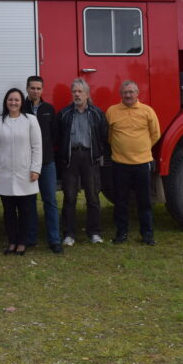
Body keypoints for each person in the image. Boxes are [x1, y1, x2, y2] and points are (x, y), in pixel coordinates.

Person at [106, 80, 161, 245]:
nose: (128, 95)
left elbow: (155, 134)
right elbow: (108, 136)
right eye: (125, 92)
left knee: (144, 201)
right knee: (120, 202)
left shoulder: (147, 111)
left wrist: (142, 149)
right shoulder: (112, 111)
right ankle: (121, 233)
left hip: (142, 164)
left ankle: (147, 235)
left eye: (131, 92)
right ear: (120, 94)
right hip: (120, 164)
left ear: (137, 93)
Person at [56, 78, 109, 246]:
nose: (77, 94)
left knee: (93, 197)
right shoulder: (64, 114)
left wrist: (97, 152)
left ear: (87, 94)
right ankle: (69, 234)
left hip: (90, 157)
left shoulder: (97, 114)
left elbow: (103, 136)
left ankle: (94, 232)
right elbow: (59, 137)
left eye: (80, 91)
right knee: (69, 197)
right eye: (74, 92)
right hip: (70, 158)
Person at [0, 88, 42, 256]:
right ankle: (12, 241)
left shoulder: (30, 120)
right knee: (9, 212)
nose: (13, 103)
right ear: (6, 102)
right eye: (10, 100)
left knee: (26, 211)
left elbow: (37, 146)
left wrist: (35, 169)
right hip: (5, 175)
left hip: (26, 174)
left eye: (17, 100)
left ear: (21, 102)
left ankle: (22, 242)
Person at [22, 76, 62, 254]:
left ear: (42, 90)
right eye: (32, 88)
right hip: (25, 164)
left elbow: (54, 135)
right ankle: (31, 238)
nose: (35, 91)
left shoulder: (48, 109)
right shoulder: (20, 108)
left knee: (50, 202)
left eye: (38, 88)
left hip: (46, 163)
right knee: (29, 202)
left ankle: (54, 240)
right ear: (27, 89)